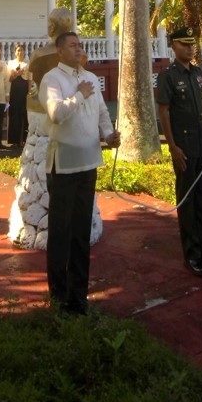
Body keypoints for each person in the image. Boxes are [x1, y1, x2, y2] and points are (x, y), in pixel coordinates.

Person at [40, 30, 120, 315]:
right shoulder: (52, 79)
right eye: (72, 45)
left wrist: (109, 135)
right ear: (60, 51)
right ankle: (59, 297)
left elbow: (100, 113)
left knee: (80, 232)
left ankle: (79, 295)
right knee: (61, 232)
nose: (78, 49)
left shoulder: (89, 77)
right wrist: (78, 95)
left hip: (89, 164)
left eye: (80, 45)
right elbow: (55, 114)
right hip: (63, 166)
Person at [156, 25, 202, 277]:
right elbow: (164, 112)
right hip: (183, 147)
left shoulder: (197, 73)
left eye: (192, 44)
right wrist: (172, 146)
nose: (190, 48)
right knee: (187, 201)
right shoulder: (168, 76)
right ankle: (192, 255)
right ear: (174, 46)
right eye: (185, 44)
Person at [6, 45, 29, 150]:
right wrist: (16, 74)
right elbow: (9, 79)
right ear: (15, 52)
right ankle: (14, 140)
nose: (20, 52)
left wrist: (29, 92)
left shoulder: (27, 64)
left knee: (23, 114)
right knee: (14, 114)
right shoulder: (11, 63)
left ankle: (23, 139)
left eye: (21, 50)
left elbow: (30, 79)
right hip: (14, 91)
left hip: (23, 91)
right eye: (18, 51)